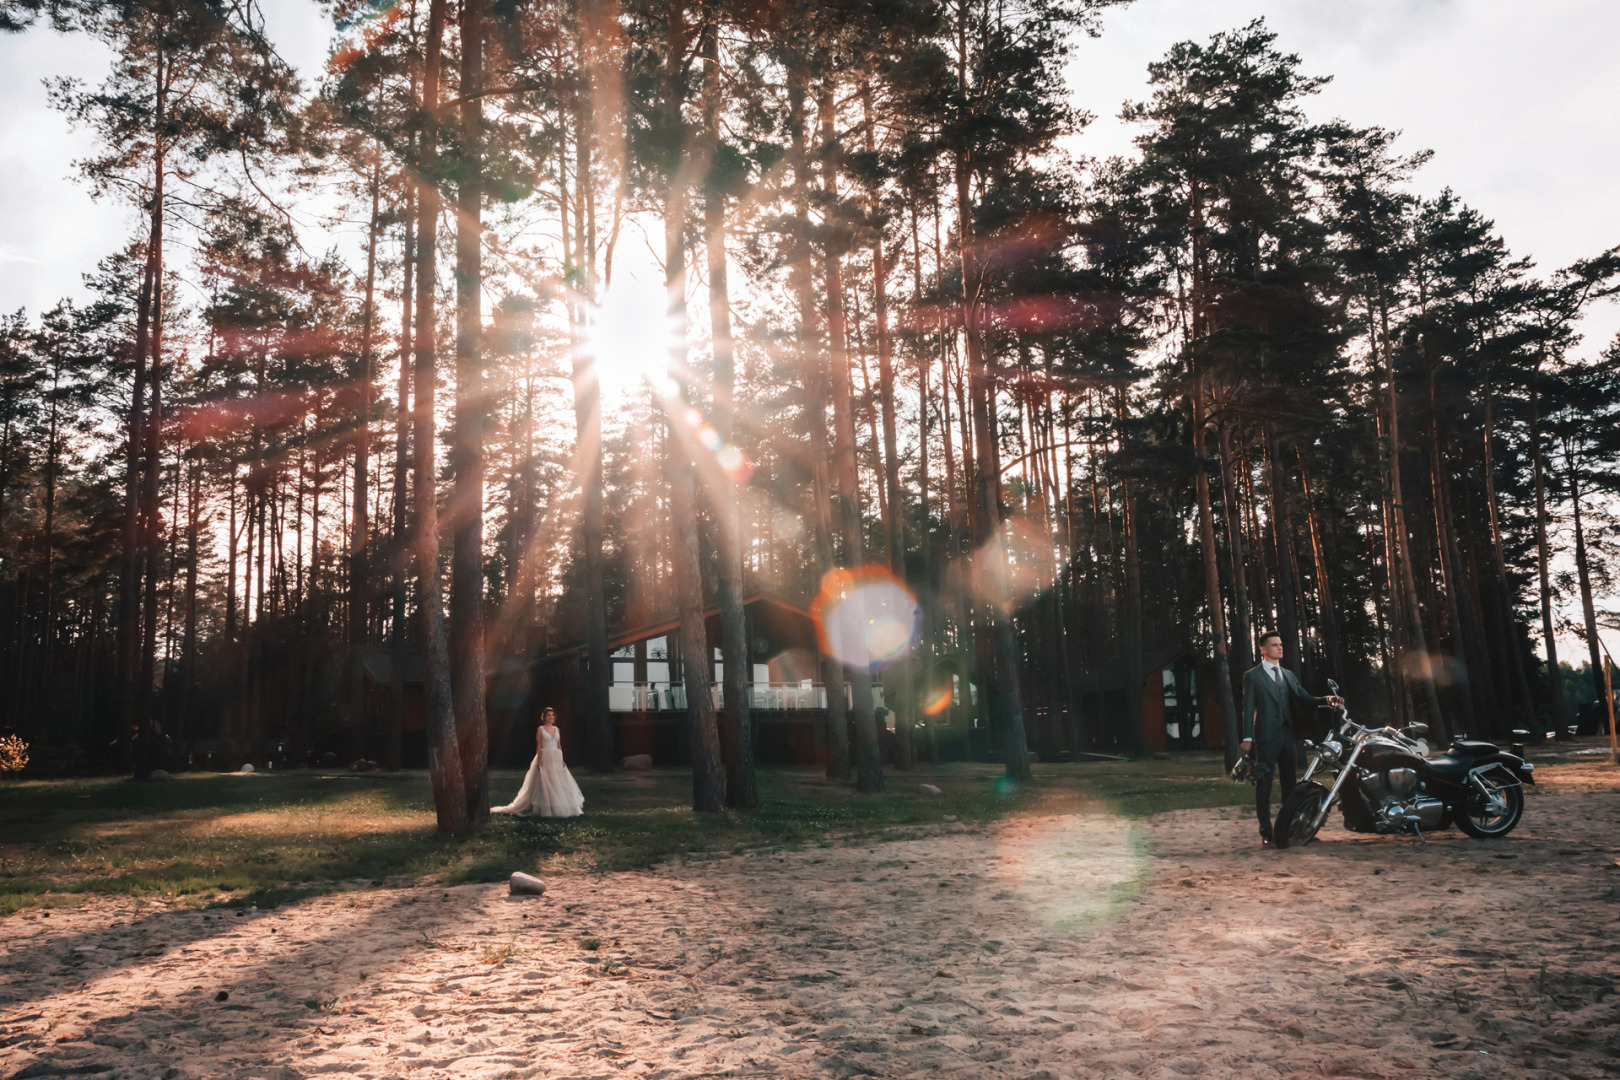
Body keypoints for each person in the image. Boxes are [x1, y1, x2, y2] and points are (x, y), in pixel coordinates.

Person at [1240, 632, 1341, 845]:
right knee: (1264, 786)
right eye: (1274, 645)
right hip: (1265, 738)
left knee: (1290, 785)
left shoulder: (1288, 674)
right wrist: (1247, 738)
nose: (1279, 648)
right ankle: (1267, 832)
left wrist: (1327, 699)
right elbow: (1247, 710)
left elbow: (1305, 698)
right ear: (1263, 649)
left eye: (1280, 644)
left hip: (1288, 736)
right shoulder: (1252, 676)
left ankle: (1289, 829)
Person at [493, 707, 585, 818]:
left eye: (552, 715)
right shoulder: (540, 729)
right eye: (548, 715)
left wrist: (562, 760)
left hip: (556, 757)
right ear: (544, 717)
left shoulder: (557, 729)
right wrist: (540, 759)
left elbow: (559, 746)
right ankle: (545, 807)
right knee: (545, 781)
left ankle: (557, 805)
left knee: (557, 781)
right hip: (545, 756)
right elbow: (539, 745)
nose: (551, 717)